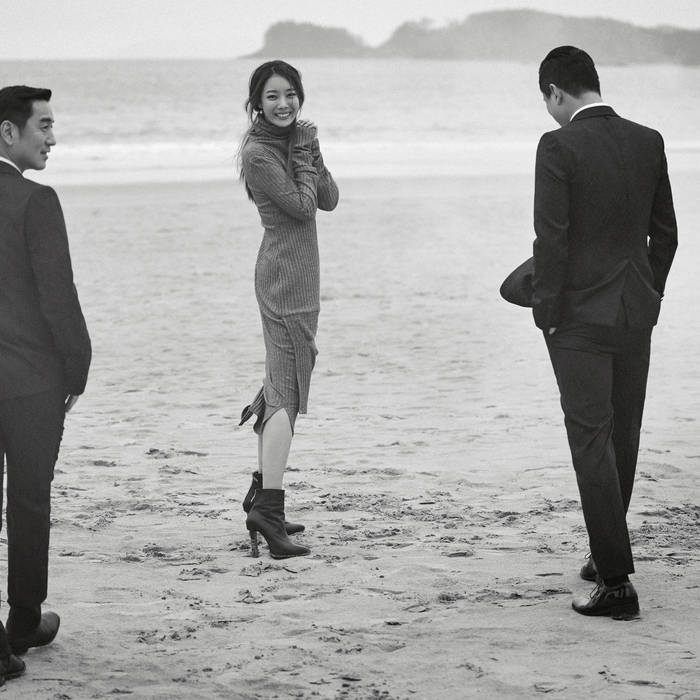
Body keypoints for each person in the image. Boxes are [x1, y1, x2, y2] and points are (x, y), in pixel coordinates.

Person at [531, 47, 677, 618]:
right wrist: (648, 291)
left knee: (590, 439)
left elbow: (552, 239)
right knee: (623, 433)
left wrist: (547, 312)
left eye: (546, 100)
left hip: (579, 318)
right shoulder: (649, 140)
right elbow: (666, 235)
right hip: (635, 311)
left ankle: (615, 583)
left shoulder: (558, 145)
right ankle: (604, 553)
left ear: (555, 92)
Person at [0, 85, 91, 679]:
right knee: (29, 500)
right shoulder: (36, 200)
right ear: (9, 132)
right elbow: (58, 294)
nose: (53, 138)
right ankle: (22, 622)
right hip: (30, 380)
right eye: (45, 126)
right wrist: (77, 366)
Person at [237, 61, 339, 558]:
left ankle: (263, 496)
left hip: (300, 275)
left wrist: (311, 149)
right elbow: (301, 206)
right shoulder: (259, 153)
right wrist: (301, 152)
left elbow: (329, 198)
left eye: (291, 94)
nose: (284, 104)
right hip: (283, 277)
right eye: (273, 96)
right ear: (257, 102)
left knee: (284, 384)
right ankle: (268, 511)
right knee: (287, 391)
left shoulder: (296, 141)